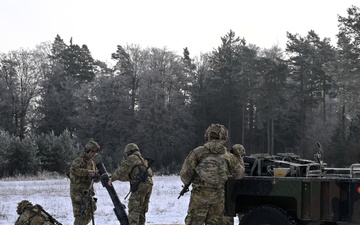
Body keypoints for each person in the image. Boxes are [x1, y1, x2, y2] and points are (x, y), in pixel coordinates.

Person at [180, 123, 245, 225]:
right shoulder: (228, 156)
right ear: (224, 137)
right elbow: (239, 174)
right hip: (218, 198)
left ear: (208, 135)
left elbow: (185, 175)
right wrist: (239, 157)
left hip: (199, 196)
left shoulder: (197, 153)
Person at [108, 143, 153, 225]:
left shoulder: (132, 158)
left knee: (134, 210)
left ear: (129, 152)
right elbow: (131, 176)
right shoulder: (143, 160)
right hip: (149, 185)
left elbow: (121, 171)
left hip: (140, 186)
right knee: (142, 211)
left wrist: (112, 179)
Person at [69, 140, 100, 225]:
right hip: (77, 192)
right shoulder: (78, 160)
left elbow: (94, 178)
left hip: (87, 192)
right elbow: (74, 170)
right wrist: (88, 172)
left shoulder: (92, 163)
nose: (94, 155)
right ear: (88, 151)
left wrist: (98, 176)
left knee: (91, 208)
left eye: (95, 153)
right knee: (80, 214)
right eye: (93, 152)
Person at [224, 144, 247, 225]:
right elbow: (241, 172)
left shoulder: (228, 158)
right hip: (232, 192)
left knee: (228, 215)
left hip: (232, 193)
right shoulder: (233, 160)